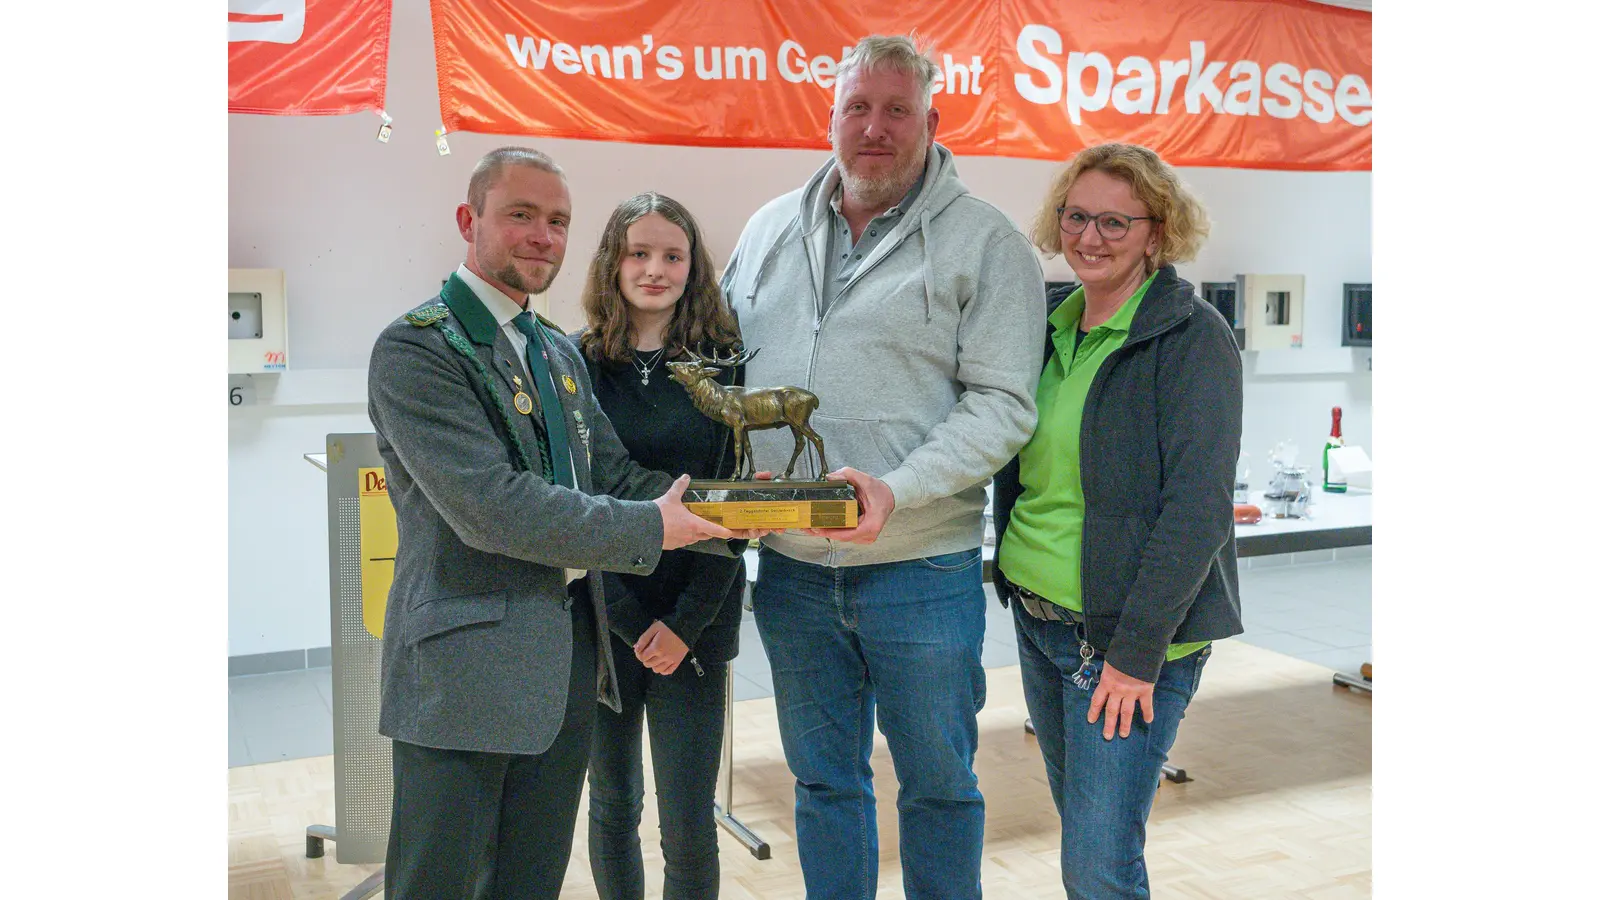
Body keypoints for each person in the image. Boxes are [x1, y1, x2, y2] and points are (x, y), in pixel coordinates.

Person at [366, 147, 744, 900]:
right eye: (522, 215)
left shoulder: (552, 353)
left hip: (567, 664)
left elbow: (612, 474)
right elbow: (493, 507)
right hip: (462, 676)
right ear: (469, 221)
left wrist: (728, 510)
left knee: (528, 883)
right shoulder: (417, 347)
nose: (543, 236)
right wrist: (655, 528)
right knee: (439, 884)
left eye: (558, 221)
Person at [719, 34, 1046, 900]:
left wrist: (897, 487)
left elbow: (1005, 404)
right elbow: (721, 368)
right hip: (790, 574)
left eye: (897, 109)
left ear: (932, 122)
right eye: (857, 107)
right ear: (829, 118)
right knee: (824, 785)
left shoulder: (988, 245)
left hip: (921, 573)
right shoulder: (765, 232)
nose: (875, 127)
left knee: (939, 788)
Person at [991, 142, 1245, 899]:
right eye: (1076, 216)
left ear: (1156, 234)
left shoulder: (1193, 339)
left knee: (1099, 867)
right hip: (1040, 623)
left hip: (1127, 641)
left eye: (1114, 222)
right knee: (1086, 837)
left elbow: (1198, 512)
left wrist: (1134, 655)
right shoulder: (1048, 324)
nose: (1089, 237)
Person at [571, 192, 747, 899]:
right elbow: (575, 508)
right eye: (638, 253)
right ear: (613, 262)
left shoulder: (723, 366)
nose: (655, 269)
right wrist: (630, 619)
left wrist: (683, 625)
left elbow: (733, 508)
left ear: (692, 266)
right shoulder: (574, 363)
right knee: (613, 807)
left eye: (672, 255)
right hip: (605, 616)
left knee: (686, 820)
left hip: (696, 624)